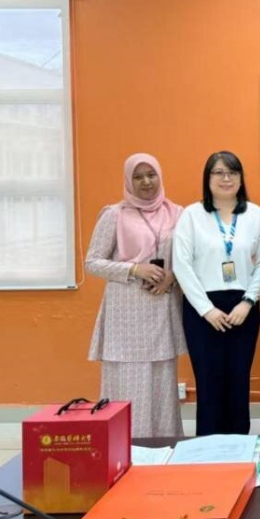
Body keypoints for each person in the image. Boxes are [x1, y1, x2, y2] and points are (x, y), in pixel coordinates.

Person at [85, 153, 185, 438]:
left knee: (162, 383)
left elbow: (188, 257)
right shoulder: (114, 214)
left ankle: (165, 445)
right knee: (128, 384)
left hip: (162, 308)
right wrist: (135, 269)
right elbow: (92, 262)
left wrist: (173, 276)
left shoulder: (177, 213)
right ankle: (126, 446)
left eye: (151, 175)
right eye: (138, 177)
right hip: (126, 314)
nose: (146, 182)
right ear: (129, 181)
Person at [173, 151, 260, 436]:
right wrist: (207, 309)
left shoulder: (255, 214)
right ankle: (208, 449)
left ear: (241, 178)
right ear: (208, 178)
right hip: (202, 309)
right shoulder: (192, 215)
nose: (226, 178)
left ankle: (239, 445)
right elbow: (181, 264)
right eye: (218, 172)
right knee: (208, 381)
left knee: (238, 379)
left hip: (243, 307)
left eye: (232, 172)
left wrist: (248, 301)